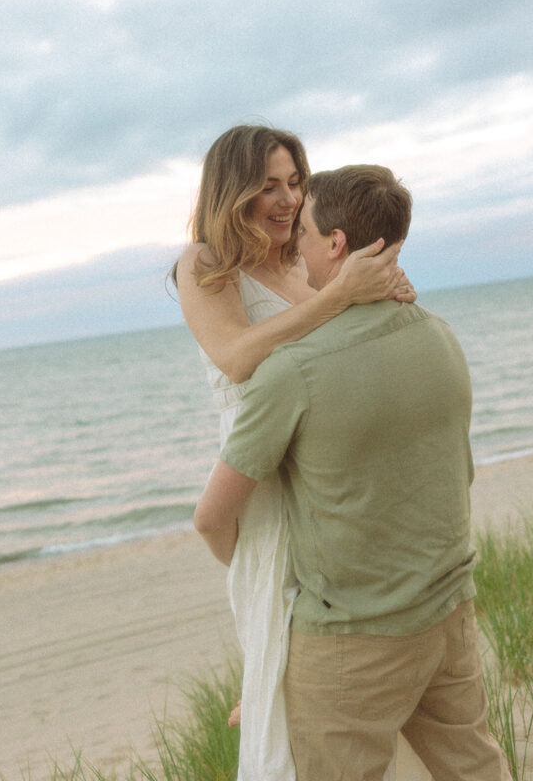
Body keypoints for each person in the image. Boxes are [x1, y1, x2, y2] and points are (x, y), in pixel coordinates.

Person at [194, 165, 512, 781]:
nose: (295, 245)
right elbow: (453, 474)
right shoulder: (440, 337)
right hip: (449, 612)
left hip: (351, 642)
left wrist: (261, 586)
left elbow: (212, 517)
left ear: (336, 244)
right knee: (477, 770)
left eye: (305, 232)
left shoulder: (291, 372)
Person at [175, 127, 414, 781]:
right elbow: (235, 354)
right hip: (261, 477)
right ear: (233, 189)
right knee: (275, 616)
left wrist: (388, 297)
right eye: (268, 185)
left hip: (326, 467)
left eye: (294, 182)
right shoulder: (202, 263)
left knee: (339, 640)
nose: (285, 199)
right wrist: (340, 296)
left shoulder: (303, 263)